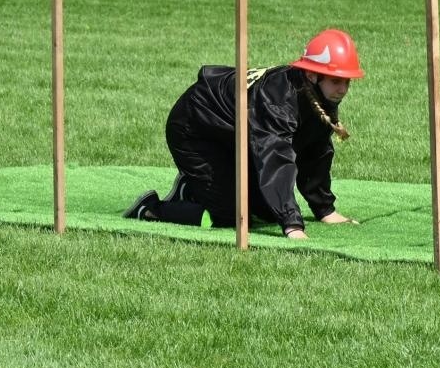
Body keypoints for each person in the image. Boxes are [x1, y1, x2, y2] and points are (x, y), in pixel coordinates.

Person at [123, 28, 364, 239]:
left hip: (236, 135)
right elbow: (275, 158)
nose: (343, 89)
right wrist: (292, 224)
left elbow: (315, 153)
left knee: (267, 211)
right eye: (336, 81)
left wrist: (325, 210)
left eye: (347, 82)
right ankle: (151, 209)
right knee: (232, 216)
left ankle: (194, 189)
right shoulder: (278, 102)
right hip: (195, 129)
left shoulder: (319, 94)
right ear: (313, 75)